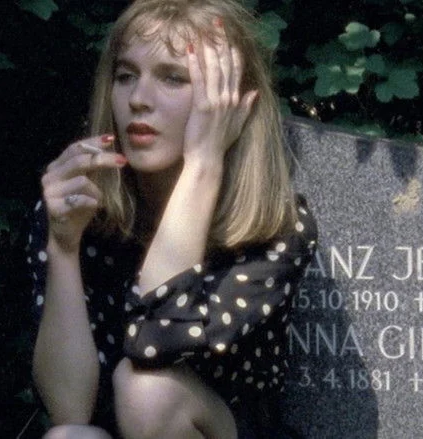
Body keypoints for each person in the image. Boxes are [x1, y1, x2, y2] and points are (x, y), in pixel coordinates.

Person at [26, 0, 317, 437]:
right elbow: (69, 409)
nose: (138, 100)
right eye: (126, 76)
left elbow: (154, 342)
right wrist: (64, 247)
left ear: (230, 102)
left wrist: (203, 163)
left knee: (148, 392)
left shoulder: (276, 227)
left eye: (173, 78)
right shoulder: (80, 210)